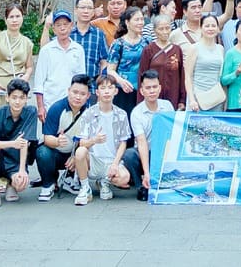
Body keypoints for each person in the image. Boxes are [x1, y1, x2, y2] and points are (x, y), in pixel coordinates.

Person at [34, 73, 98, 203]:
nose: (78, 97)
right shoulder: (57, 108)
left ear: (88, 96)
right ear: (68, 91)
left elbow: (90, 140)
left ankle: (71, 178)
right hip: (56, 153)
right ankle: (48, 184)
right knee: (42, 152)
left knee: (84, 153)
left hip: (73, 153)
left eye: (82, 94)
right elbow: (47, 138)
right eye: (75, 92)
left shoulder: (90, 111)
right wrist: (57, 141)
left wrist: (75, 156)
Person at [74, 73, 132, 203]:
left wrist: (115, 164)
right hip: (94, 160)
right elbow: (81, 142)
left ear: (116, 91)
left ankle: (104, 182)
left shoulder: (122, 114)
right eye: (103, 88)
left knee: (124, 177)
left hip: (111, 161)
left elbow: (123, 142)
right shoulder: (88, 114)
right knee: (80, 152)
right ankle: (85, 187)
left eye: (110, 88)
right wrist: (94, 140)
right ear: (97, 92)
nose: (106, 91)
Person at [0, 77, 40, 206]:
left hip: (15, 159)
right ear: (7, 98)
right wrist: (12, 144)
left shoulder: (31, 112)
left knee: (20, 184)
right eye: (14, 97)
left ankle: (11, 184)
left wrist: (22, 171)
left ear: (26, 98)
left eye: (21, 98)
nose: (17, 102)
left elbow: (25, 142)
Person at [118, 70, 172, 200]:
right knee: (129, 154)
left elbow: (172, 134)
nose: (152, 91)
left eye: (154, 87)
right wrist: (147, 173)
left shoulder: (168, 106)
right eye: (148, 88)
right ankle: (141, 185)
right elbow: (141, 142)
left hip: (162, 153)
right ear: (142, 91)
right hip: (145, 152)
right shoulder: (137, 113)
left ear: (160, 88)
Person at [0, 3, 35, 123]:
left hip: (17, 87)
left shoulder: (27, 42)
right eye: (11, 17)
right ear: (6, 19)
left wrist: (26, 77)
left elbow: (29, 66)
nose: (14, 20)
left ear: (22, 18)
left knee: (16, 121)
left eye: (18, 16)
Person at [32, 10, 84, 113]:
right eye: (58, 25)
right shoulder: (46, 50)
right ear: (54, 29)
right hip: (50, 103)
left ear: (71, 26)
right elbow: (39, 81)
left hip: (73, 104)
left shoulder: (78, 49)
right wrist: (41, 107)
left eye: (65, 24)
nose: (62, 28)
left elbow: (81, 79)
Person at [138, 14, 186, 109]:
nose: (165, 32)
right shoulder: (149, 50)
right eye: (161, 29)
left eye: (167, 28)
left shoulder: (177, 49)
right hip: (153, 98)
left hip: (173, 97)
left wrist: (182, 100)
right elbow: (141, 75)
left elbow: (181, 76)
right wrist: (141, 101)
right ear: (155, 30)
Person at [105, 8, 149, 112]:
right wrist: (121, 81)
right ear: (127, 22)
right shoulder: (118, 44)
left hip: (142, 89)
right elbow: (110, 70)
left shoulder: (147, 42)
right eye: (137, 20)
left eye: (142, 19)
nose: (140, 23)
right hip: (123, 89)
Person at [184, 13, 228, 111]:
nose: (210, 28)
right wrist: (192, 99)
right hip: (197, 98)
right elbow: (188, 76)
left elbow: (222, 76)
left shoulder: (220, 49)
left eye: (213, 26)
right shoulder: (194, 48)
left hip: (216, 97)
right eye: (207, 26)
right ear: (201, 28)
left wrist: (226, 98)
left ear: (218, 28)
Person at [70, 0, 110, 78]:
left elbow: (104, 61)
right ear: (75, 10)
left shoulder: (99, 34)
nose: (86, 11)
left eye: (89, 8)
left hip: (92, 83)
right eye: (82, 8)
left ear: (93, 12)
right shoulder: (68, 33)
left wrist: (102, 80)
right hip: (70, 84)